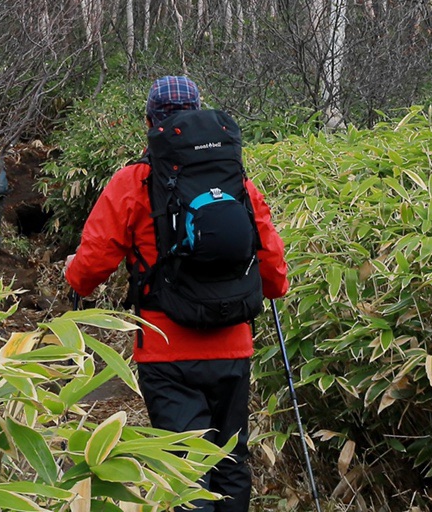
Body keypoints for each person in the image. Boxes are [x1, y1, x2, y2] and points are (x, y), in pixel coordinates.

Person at [64, 76, 288, 512]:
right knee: (230, 461)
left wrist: (75, 281)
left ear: (150, 122)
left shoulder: (134, 181)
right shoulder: (236, 180)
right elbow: (271, 260)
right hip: (233, 346)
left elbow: (93, 262)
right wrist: (273, 288)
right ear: (200, 112)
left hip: (166, 351)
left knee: (183, 467)